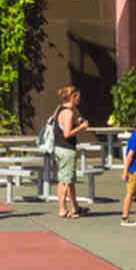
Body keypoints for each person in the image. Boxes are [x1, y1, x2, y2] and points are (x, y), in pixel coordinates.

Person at [53, 86, 89, 219]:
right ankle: (62, 209)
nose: (79, 99)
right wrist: (81, 127)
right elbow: (67, 133)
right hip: (66, 148)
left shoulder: (59, 109)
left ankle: (75, 208)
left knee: (68, 179)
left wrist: (78, 120)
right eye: (77, 97)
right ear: (72, 97)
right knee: (65, 181)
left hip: (59, 148)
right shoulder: (68, 113)